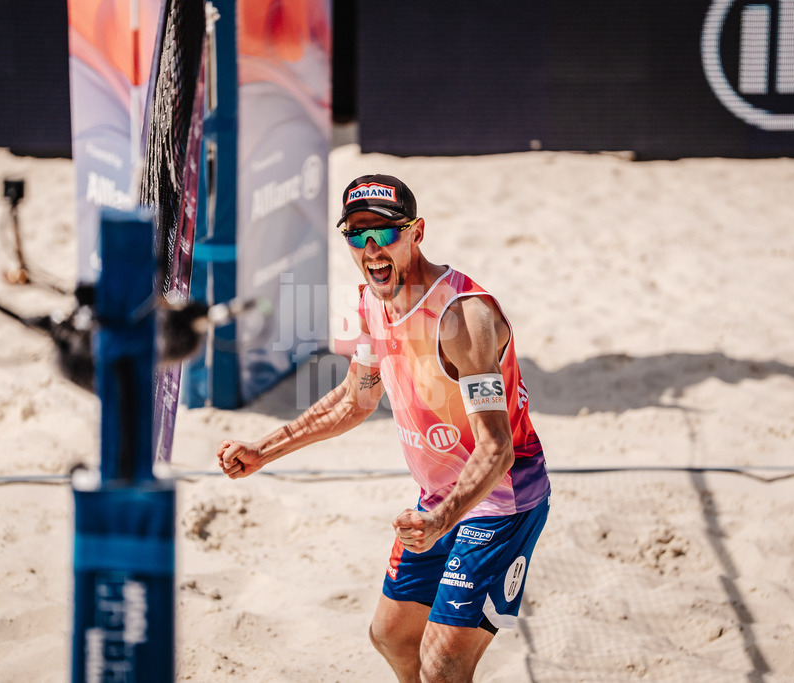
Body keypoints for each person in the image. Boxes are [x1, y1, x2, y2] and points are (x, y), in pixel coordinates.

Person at [217, 173, 550, 682]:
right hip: (438, 498)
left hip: (501, 503)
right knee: (391, 636)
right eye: (357, 233)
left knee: (443, 664)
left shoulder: (463, 318)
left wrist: (441, 520)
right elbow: (357, 397)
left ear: (416, 232)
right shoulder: (372, 301)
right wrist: (263, 449)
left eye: (385, 232)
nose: (371, 247)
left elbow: (497, 451)